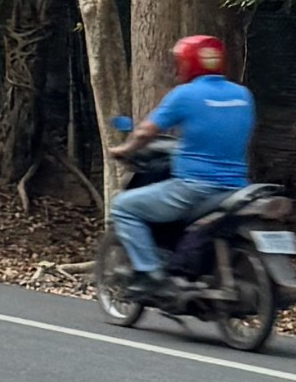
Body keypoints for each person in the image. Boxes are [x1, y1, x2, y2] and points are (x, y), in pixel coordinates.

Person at [109, 33, 256, 300]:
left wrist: (124, 149)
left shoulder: (185, 95)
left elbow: (145, 133)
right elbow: (223, 133)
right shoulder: (243, 95)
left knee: (123, 206)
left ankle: (150, 273)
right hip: (236, 189)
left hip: (192, 189)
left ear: (187, 64)